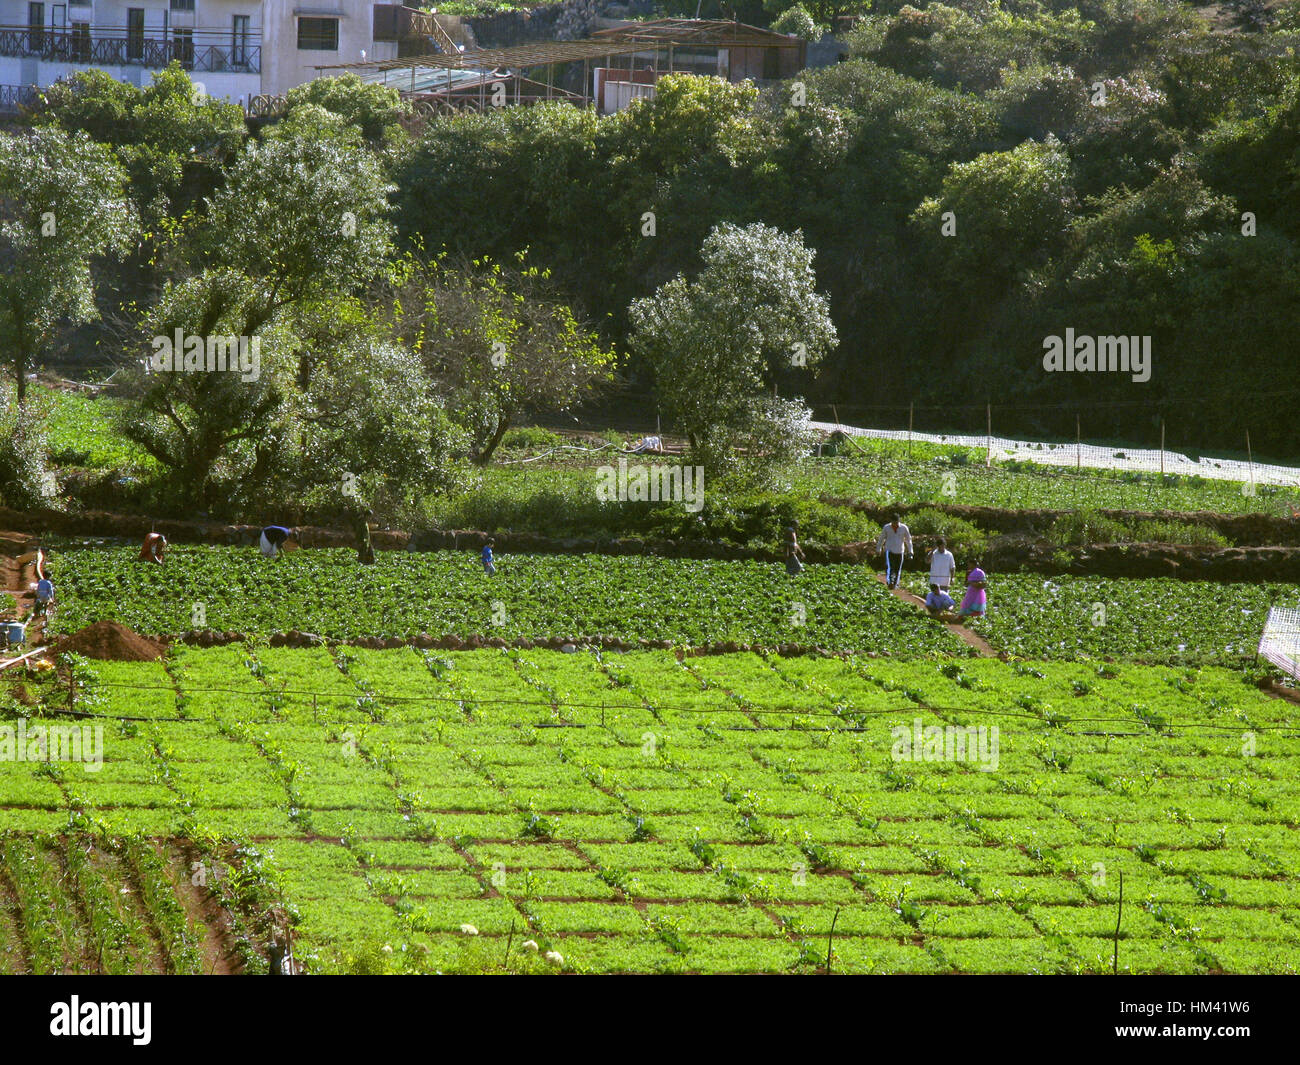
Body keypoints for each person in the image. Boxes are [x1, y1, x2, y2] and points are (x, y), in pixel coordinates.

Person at [875, 515, 913, 589]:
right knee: (890, 567)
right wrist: (878, 549)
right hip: (889, 550)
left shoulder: (904, 528)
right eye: (893, 522)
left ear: (899, 521)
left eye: (896, 522)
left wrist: (910, 551)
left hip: (900, 551)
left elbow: (908, 540)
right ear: (891, 521)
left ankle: (895, 584)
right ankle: (890, 582)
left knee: (898, 568)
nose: (895, 524)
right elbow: (881, 539)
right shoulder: (887, 527)